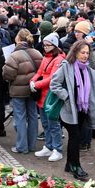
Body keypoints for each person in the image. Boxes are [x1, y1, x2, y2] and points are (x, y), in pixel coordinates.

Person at [49, 40, 95, 181]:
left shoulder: (88, 69)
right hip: (68, 109)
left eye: (87, 53)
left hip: (82, 109)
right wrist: (66, 97)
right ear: (75, 52)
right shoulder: (67, 66)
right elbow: (54, 84)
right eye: (82, 52)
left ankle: (69, 164)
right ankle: (76, 166)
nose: (85, 56)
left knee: (75, 137)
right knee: (75, 136)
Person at [2, 29, 43, 154]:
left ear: (18, 39)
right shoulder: (37, 53)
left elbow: (7, 75)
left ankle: (21, 146)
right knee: (32, 116)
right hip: (33, 89)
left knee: (20, 117)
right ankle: (32, 145)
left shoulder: (14, 55)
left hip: (18, 90)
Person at [31, 33, 65, 162]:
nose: (45, 47)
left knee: (54, 124)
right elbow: (40, 72)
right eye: (44, 45)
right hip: (42, 96)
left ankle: (57, 149)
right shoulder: (46, 57)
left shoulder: (59, 59)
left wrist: (36, 84)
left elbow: (52, 78)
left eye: (48, 45)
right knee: (45, 123)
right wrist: (32, 81)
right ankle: (49, 146)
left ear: (54, 45)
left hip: (51, 96)